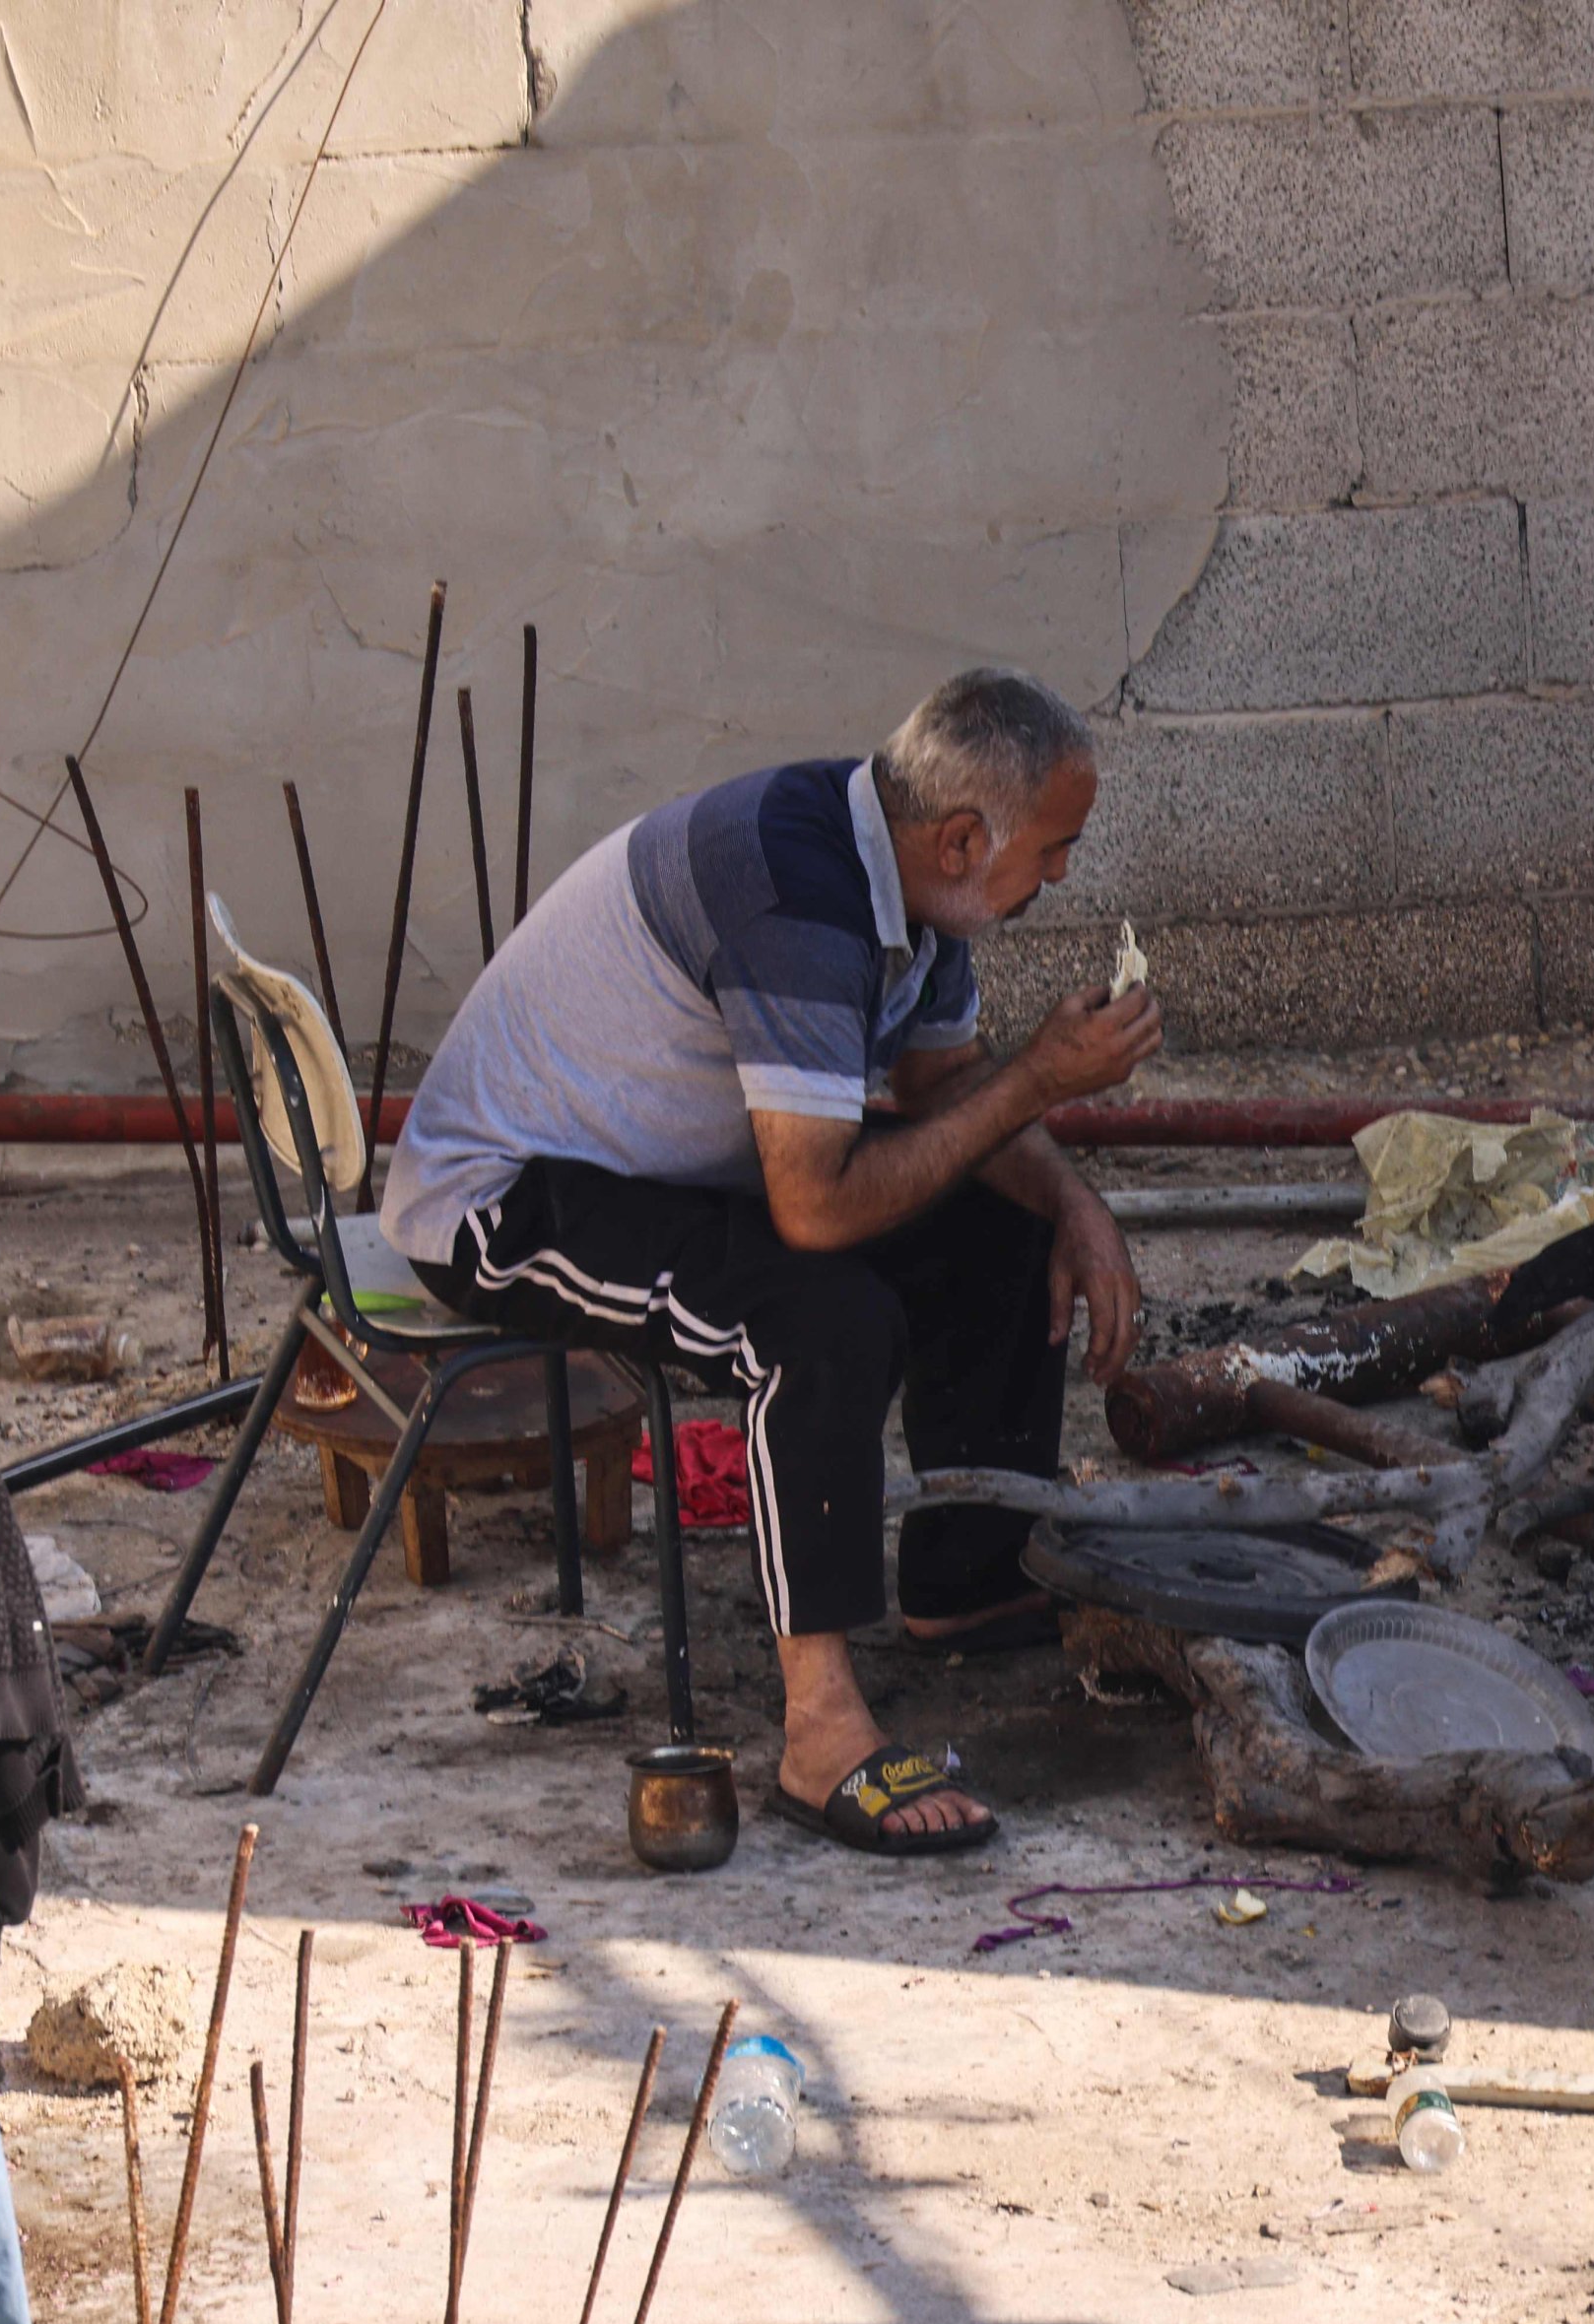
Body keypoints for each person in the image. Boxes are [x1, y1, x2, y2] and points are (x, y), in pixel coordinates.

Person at [376, 668, 1158, 1857]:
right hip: (504, 1197)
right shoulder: (798, 895)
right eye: (1052, 850)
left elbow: (946, 1089)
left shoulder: (912, 883)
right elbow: (817, 1211)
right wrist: (1043, 1079)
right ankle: (819, 1729)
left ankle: (969, 1580)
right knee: (816, 1318)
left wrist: (1077, 1207)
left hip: (664, 1169)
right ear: (960, 837)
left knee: (997, 1211)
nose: (1058, 878)